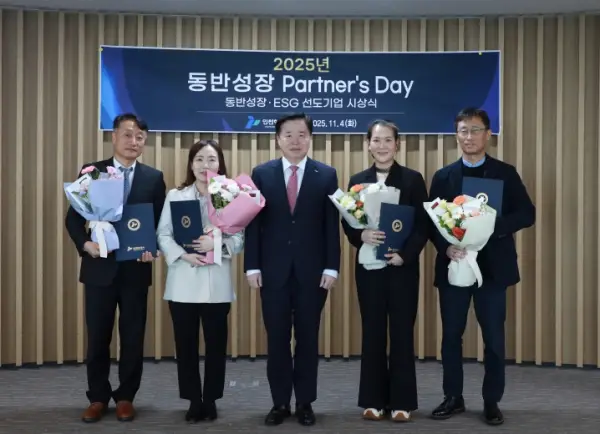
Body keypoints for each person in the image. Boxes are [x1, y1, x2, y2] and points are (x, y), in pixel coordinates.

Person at [428, 107, 535, 425]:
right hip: (455, 266)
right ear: (456, 136)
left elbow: (526, 213)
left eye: (475, 130)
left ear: (488, 135)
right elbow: (432, 222)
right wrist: (446, 246)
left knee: (494, 339)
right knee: (451, 336)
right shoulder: (444, 176)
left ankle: (491, 401)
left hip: (493, 269)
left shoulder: (505, 173)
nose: (469, 136)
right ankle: (453, 397)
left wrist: (491, 227)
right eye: (463, 130)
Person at [65, 113, 166, 423]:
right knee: (98, 337)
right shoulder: (93, 172)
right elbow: (73, 219)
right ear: (114, 137)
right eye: (127, 135)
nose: (133, 141)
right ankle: (97, 397)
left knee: (133, 338)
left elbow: (160, 224)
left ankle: (125, 397)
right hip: (99, 269)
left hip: (136, 270)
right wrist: (86, 244)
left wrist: (154, 248)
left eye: (139, 137)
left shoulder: (153, 178)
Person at [244, 113, 341, 426]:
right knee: (277, 339)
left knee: (308, 339)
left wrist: (332, 267)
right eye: (288, 135)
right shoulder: (262, 174)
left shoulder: (326, 175)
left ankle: (305, 402)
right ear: (277, 139)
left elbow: (331, 226)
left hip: (313, 272)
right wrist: (251, 266)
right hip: (272, 271)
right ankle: (280, 403)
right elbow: (253, 225)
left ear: (310, 138)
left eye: (302, 134)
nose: (295, 141)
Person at [341, 120, 428, 422]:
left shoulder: (413, 180)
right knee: (373, 332)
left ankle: (403, 402)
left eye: (388, 140)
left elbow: (423, 225)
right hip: (370, 269)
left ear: (397, 144)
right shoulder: (357, 180)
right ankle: (373, 400)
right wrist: (360, 235)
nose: (382, 146)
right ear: (368, 144)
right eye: (376, 140)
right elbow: (348, 222)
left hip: (402, 268)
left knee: (402, 332)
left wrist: (405, 255)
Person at [156, 140, 243, 423]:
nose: (206, 165)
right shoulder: (176, 195)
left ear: (220, 164)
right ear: (191, 164)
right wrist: (183, 255)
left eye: (212, 159)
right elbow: (163, 234)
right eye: (200, 160)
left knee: (216, 346)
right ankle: (194, 399)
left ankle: (212, 398)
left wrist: (214, 244)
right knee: (186, 346)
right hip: (183, 282)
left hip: (216, 283)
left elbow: (239, 239)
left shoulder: (231, 195)